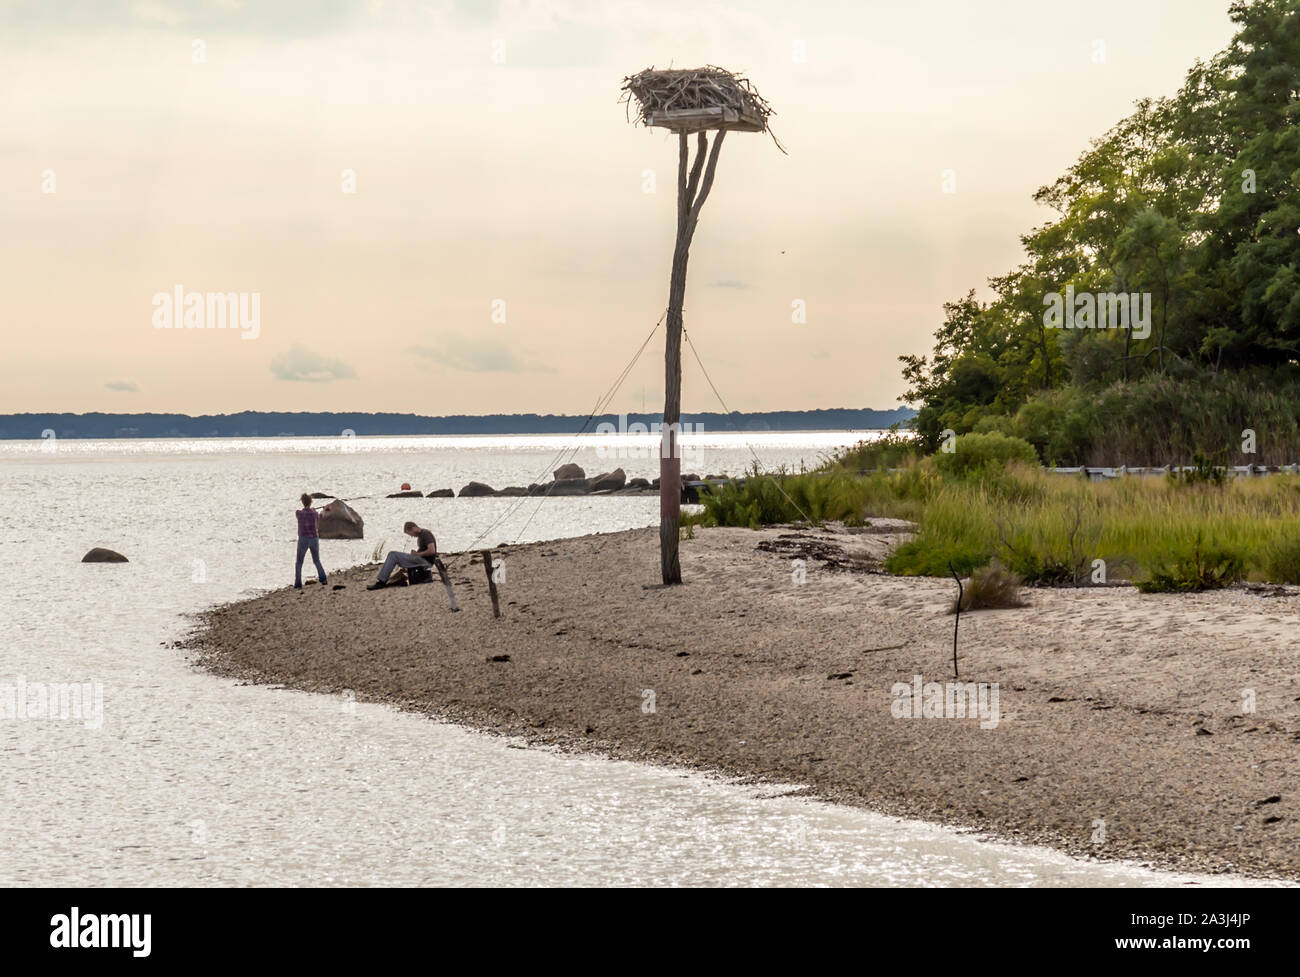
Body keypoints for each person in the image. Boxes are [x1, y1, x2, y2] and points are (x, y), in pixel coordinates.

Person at [368, 521, 439, 590]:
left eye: (410, 534)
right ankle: (391, 580)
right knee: (398, 559)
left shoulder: (425, 534)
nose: (411, 536)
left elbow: (432, 551)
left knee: (393, 555)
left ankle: (381, 582)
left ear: (414, 528)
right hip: (423, 561)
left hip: (425, 563)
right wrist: (416, 553)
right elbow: (424, 551)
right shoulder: (421, 536)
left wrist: (417, 554)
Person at [295, 493, 328, 589]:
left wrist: (311, 510)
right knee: (317, 560)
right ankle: (323, 578)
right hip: (314, 538)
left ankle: (298, 583)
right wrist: (323, 510)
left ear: (302, 502)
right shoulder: (314, 513)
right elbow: (320, 517)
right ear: (311, 502)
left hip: (303, 539)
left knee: (299, 562)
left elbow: (299, 513)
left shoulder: (299, 513)